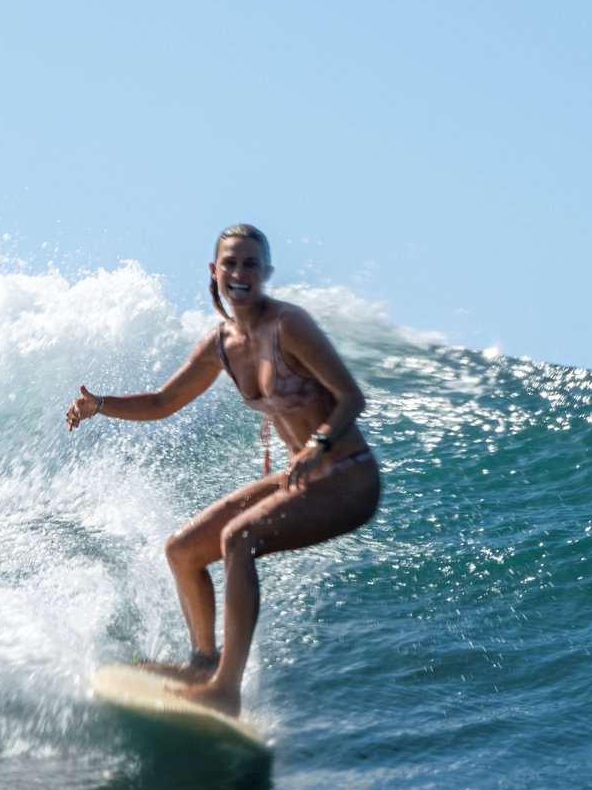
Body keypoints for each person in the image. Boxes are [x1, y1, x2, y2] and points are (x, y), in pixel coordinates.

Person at [65, 225, 379, 716]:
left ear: (265, 273)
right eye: (230, 263)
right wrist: (100, 405)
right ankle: (202, 665)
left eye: (250, 264)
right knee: (183, 550)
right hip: (300, 478)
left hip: (349, 477)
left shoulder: (289, 325)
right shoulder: (222, 344)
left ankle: (226, 689)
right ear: (214, 271)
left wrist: (318, 446)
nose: (239, 273)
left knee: (238, 538)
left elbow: (351, 397)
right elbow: (163, 401)